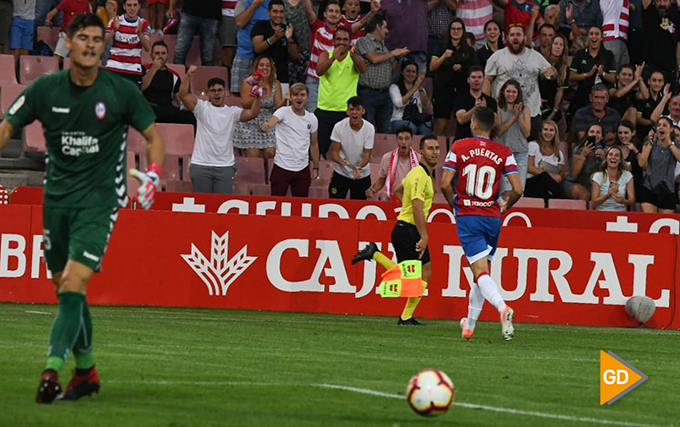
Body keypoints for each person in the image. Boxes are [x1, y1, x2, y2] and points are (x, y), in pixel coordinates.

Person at [0, 13, 164, 404]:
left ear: (103, 45)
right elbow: (7, 127)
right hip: (56, 199)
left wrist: (155, 174)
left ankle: (52, 369)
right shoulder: (46, 89)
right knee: (65, 289)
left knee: (74, 283)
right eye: (83, 38)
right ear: (67, 42)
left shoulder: (120, 91)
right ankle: (87, 371)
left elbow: (154, 137)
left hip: (100, 199)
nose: (91, 45)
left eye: (97, 38)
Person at [440, 106, 521, 341]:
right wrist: (506, 205)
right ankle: (469, 325)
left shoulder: (459, 147)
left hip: (469, 215)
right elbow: (518, 189)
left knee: (479, 272)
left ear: (473, 124)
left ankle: (502, 307)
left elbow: (445, 184)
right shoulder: (504, 151)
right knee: (481, 272)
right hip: (493, 218)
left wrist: (454, 206)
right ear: (492, 127)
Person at [351, 135, 441, 326]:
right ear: (422, 152)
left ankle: (406, 317)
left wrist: (406, 205)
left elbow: (398, 190)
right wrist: (423, 235)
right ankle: (374, 254)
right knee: (409, 277)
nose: (435, 152)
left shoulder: (419, 173)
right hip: (408, 230)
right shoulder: (419, 175)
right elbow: (417, 207)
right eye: (430, 149)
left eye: (437, 148)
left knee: (424, 273)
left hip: (407, 227)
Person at [179, 66, 262, 193]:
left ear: (225, 92)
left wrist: (257, 98)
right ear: (208, 93)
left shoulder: (232, 112)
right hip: (201, 165)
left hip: (225, 166)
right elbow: (183, 94)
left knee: (221, 207)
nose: (216, 93)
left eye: (219, 90)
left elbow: (253, 113)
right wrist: (188, 75)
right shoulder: (201, 108)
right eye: (213, 90)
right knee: (201, 207)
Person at [484, 24, 555, 140]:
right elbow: (487, 80)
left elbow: (551, 72)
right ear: (506, 38)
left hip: (531, 112)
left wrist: (552, 73)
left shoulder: (536, 56)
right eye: (512, 35)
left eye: (518, 34)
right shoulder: (496, 57)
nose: (515, 38)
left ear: (525, 38)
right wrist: (487, 105)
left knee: (531, 149)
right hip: (503, 113)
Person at [261, 82, 321, 196]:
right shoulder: (283, 111)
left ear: (307, 98)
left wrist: (316, 167)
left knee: (300, 207)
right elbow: (272, 122)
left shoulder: (312, 118)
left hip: (302, 168)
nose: (299, 98)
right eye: (295, 95)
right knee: (276, 204)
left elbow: (314, 144)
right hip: (281, 166)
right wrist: (267, 126)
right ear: (291, 97)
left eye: (302, 95)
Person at [315, 26, 366, 158]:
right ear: (333, 41)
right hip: (325, 110)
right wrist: (333, 59)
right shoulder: (325, 55)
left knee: (347, 152)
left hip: (347, 112)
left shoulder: (354, 57)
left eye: (345, 39)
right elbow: (319, 71)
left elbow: (363, 69)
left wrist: (353, 54)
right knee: (320, 149)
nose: (342, 42)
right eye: (338, 39)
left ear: (350, 42)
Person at [356, 14, 409, 133]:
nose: (387, 31)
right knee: (366, 129)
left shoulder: (383, 46)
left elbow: (392, 70)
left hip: (385, 94)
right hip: (368, 93)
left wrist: (397, 58)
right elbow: (374, 59)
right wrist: (393, 53)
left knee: (385, 131)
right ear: (378, 27)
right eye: (385, 27)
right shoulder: (364, 41)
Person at [430, 18, 478, 136]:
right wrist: (444, 57)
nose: (456, 31)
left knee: (464, 126)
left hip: (462, 92)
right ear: (449, 31)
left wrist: (462, 68)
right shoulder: (441, 47)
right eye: (453, 29)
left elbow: (475, 70)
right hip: (443, 91)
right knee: (441, 126)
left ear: (463, 31)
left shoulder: (469, 51)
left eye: (459, 29)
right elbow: (432, 67)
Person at [234, 55, 285, 158]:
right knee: (254, 155)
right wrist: (257, 95)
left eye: (268, 66)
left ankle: (268, 173)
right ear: (256, 68)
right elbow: (244, 104)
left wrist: (286, 99)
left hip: (268, 122)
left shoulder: (276, 84)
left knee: (270, 153)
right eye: (261, 65)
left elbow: (278, 107)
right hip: (250, 120)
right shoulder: (248, 82)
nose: (264, 68)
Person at [328, 97, 374, 199]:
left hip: (362, 174)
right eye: (351, 109)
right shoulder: (339, 126)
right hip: (341, 172)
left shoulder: (369, 128)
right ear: (347, 111)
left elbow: (367, 155)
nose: (354, 112)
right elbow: (334, 152)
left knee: (359, 208)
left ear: (363, 111)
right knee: (334, 204)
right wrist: (340, 160)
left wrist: (359, 167)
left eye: (357, 109)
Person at [142, 41, 196, 125]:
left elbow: (179, 97)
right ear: (151, 56)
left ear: (167, 56)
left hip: (166, 109)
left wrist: (183, 105)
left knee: (190, 117)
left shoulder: (174, 76)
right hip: (148, 107)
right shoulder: (144, 69)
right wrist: (154, 69)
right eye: (157, 53)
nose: (160, 56)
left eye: (163, 53)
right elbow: (141, 87)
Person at [303, 0, 343, 112]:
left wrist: (372, 13)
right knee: (312, 116)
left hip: (333, 81)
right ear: (325, 14)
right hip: (314, 80)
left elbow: (359, 25)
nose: (333, 14)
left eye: (336, 12)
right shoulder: (317, 27)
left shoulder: (344, 33)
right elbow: (308, 10)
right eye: (330, 11)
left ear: (340, 16)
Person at [638, 116, 680, 213]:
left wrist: (670, 143)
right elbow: (641, 163)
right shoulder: (648, 144)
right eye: (659, 125)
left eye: (664, 125)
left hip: (668, 189)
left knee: (665, 222)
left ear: (671, 129)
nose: (661, 127)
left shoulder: (676, 146)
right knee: (649, 221)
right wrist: (650, 143)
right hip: (650, 187)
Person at [365, 125, 420, 200]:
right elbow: (382, 179)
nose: (403, 142)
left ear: (411, 141)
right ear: (396, 140)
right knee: (382, 198)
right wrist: (373, 190)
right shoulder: (387, 158)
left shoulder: (420, 159)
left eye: (407, 139)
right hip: (392, 197)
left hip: (413, 198)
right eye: (400, 139)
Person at [568, 25, 616, 110]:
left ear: (601, 37)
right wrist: (587, 74)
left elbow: (613, 79)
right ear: (588, 37)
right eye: (591, 34)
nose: (594, 36)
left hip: (601, 97)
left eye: (597, 34)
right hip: (583, 95)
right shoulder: (580, 54)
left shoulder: (608, 55)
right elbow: (572, 77)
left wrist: (602, 73)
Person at [104, 0, 152, 85]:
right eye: (129, 5)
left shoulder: (144, 23)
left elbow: (147, 47)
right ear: (124, 7)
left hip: (133, 68)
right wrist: (114, 30)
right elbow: (104, 43)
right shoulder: (115, 20)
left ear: (139, 6)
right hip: (114, 65)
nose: (132, 8)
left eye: (135, 5)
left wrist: (139, 33)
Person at [496, 79, 531, 195]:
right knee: (505, 190)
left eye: (514, 92)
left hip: (520, 153)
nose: (511, 95)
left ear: (518, 94)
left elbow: (527, 133)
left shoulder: (525, 110)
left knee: (518, 190)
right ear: (503, 92)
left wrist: (519, 116)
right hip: (503, 153)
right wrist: (513, 117)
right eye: (508, 91)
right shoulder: (499, 108)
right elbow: (499, 131)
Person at [251, 0, 293, 87]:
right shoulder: (260, 26)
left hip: (282, 77)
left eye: (281, 12)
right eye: (275, 11)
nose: (278, 15)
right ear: (268, 12)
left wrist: (289, 39)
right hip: (261, 77)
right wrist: (275, 38)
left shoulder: (287, 28)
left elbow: (294, 54)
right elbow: (257, 48)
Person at [167, 0, 221, 66]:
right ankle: (177, 75)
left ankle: (208, 75)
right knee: (180, 51)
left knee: (208, 55)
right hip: (189, 13)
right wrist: (171, 8)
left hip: (211, 16)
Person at [232, 0, 269, 93]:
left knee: (265, 94)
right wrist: (255, 4)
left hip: (266, 58)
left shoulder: (274, 3)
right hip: (244, 55)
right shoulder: (244, 2)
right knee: (239, 93)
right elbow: (239, 22)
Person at [525, 120, 566, 200]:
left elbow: (560, 174)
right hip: (532, 182)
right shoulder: (533, 145)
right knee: (544, 176)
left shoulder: (559, 153)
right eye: (545, 129)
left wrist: (557, 177)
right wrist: (550, 176)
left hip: (549, 187)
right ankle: (564, 200)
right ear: (541, 132)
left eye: (551, 130)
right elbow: (529, 167)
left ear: (555, 133)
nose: (548, 133)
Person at [454, 65, 497, 141]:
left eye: (479, 77)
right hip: (464, 141)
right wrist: (475, 109)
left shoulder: (491, 101)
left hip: (484, 144)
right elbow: (461, 119)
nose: (476, 80)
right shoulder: (461, 99)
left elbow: (496, 123)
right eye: (473, 77)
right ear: (468, 80)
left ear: (484, 79)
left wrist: (485, 111)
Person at [389, 59, 431, 134]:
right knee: (411, 127)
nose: (411, 74)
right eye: (408, 71)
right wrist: (414, 89)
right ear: (402, 72)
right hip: (399, 119)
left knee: (426, 126)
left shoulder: (419, 88)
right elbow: (399, 104)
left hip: (416, 119)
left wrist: (420, 87)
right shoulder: (394, 87)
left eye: (413, 72)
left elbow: (425, 104)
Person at [565, 122, 605, 200]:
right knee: (584, 194)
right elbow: (574, 174)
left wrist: (605, 159)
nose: (595, 134)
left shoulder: (608, 151)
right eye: (592, 132)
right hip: (577, 182)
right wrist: (583, 155)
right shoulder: (579, 149)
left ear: (602, 136)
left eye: (598, 132)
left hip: (598, 185)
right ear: (587, 134)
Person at [591, 145, 635, 210]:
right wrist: (609, 194)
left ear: (620, 160)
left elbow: (632, 201)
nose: (613, 157)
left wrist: (624, 201)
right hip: (602, 214)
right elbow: (594, 203)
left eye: (617, 155)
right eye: (610, 154)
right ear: (606, 158)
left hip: (620, 215)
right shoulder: (598, 176)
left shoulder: (627, 175)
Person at [539, 33, 569, 122]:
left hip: (551, 104)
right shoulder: (541, 61)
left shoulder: (565, 68)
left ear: (564, 49)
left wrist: (554, 112)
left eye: (561, 45)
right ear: (551, 45)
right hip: (537, 100)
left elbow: (560, 92)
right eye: (556, 44)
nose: (558, 47)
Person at [10, 0, 35, 66]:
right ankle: (12, 73)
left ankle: (23, 74)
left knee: (25, 51)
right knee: (15, 51)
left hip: (30, 20)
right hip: (16, 18)